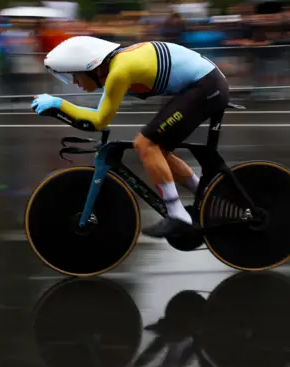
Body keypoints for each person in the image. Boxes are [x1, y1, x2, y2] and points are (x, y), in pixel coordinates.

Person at [31, 36, 229, 238]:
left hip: (207, 87)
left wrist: (59, 104)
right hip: (205, 84)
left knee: (146, 144)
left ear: (92, 68)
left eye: (75, 76)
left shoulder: (120, 71)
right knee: (157, 150)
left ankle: (179, 216)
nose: (74, 82)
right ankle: (206, 197)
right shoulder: (117, 65)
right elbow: (100, 114)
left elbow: (99, 121)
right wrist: (59, 107)